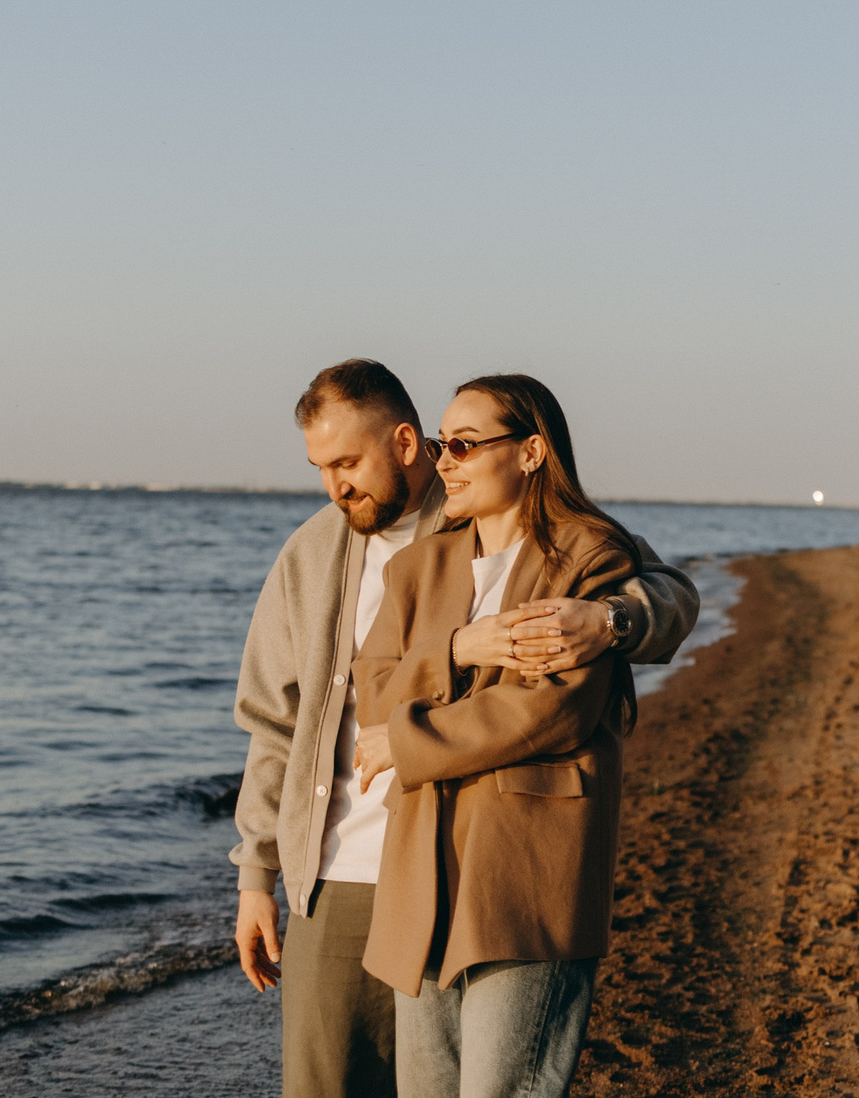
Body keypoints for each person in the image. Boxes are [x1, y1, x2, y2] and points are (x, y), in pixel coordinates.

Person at [231, 361, 699, 1098]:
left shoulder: (542, 535)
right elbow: (285, 716)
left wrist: (610, 620)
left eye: (348, 462)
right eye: (321, 467)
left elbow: (660, 595)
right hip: (347, 872)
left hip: (493, 866)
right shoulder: (328, 554)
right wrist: (257, 871)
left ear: (406, 442)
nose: (334, 485)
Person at [351, 374, 639, 1098]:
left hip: (526, 877)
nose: (443, 460)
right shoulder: (416, 567)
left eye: (466, 444)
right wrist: (458, 648)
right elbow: (373, 693)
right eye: (444, 443)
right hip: (421, 878)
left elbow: (547, 711)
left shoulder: (590, 556)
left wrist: (405, 745)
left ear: (533, 451)